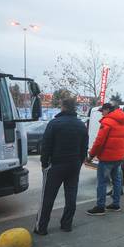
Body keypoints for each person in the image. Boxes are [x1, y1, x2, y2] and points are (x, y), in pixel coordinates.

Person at [35, 97, 88, 235]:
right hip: (74, 165)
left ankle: (41, 227)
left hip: (56, 165)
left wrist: (44, 163)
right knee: (71, 196)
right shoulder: (81, 125)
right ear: (74, 108)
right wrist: (79, 162)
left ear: (63, 107)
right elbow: (84, 148)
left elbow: (46, 146)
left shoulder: (54, 123)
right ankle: (66, 224)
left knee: (48, 197)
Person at [86, 103, 124, 215]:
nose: (102, 113)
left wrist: (91, 155)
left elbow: (99, 142)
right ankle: (115, 204)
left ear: (108, 110)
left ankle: (100, 207)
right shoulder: (122, 121)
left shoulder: (107, 122)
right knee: (117, 181)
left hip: (106, 158)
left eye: (102, 111)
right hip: (118, 157)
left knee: (102, 182)